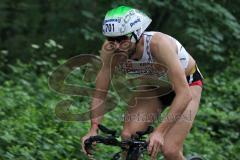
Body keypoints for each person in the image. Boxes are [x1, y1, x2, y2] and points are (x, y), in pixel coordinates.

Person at [81, 6, 203, 160]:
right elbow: (100, 92)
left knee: (170, 150)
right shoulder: (110, 51)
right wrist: (93, 129)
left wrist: (159, 132)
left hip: (187, 85)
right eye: (111, 39)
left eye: (122, 39)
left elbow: (184, 94)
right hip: (153, 87)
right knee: (128, 137)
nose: (116, 45)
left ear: (137, 34)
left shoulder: (158, 45)